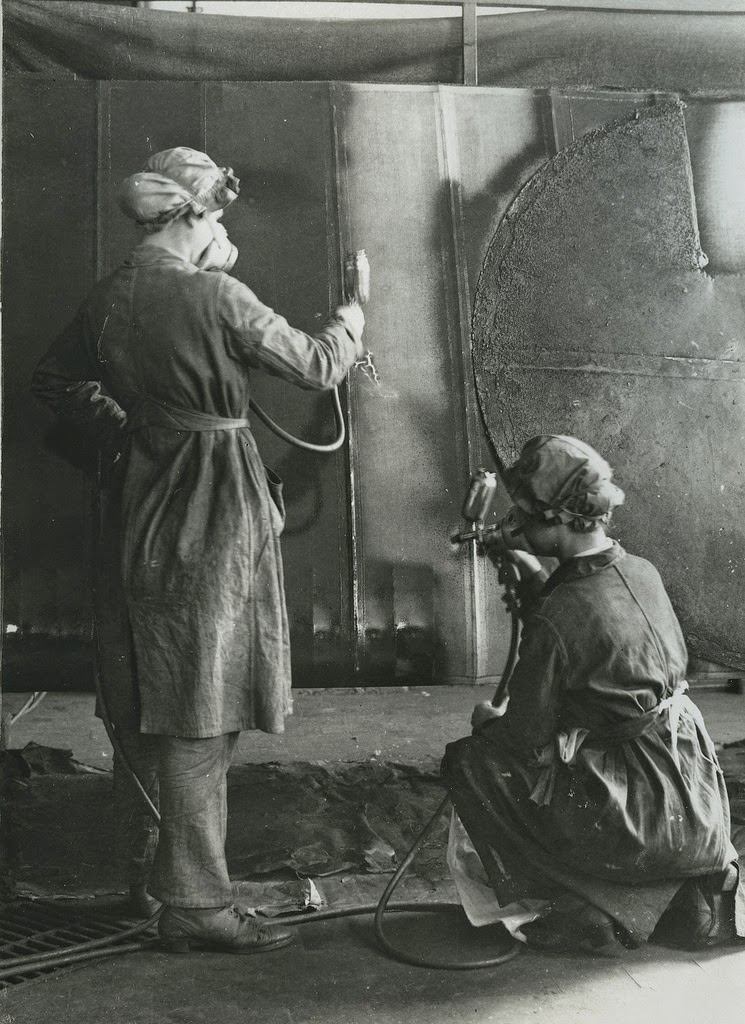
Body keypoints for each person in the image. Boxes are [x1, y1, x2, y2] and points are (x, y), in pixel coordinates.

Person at [31, 147, 365, 953]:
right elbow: (317, 367)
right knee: (200, 709)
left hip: (138, 498)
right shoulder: (216, 296)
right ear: (191, 214)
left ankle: (147, 881)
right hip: (211, 503)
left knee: (150, 692)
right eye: (215, 214)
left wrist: (127, 427)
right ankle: (197, 904)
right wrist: (354, 313)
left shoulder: (113, 295)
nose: (222, 228)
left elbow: (51, 380)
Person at [442, 435, 745, 956]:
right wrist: (533, 569)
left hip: (637, 817)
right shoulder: (640, 570)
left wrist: (488, 717)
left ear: (557, 518)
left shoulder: (558, 620)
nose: (513, 521)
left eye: (523, 512)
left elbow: (525, 738)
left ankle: (573, 908)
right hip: (694, 800)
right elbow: (592, 614)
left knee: (474, 761)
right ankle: (684, 897)